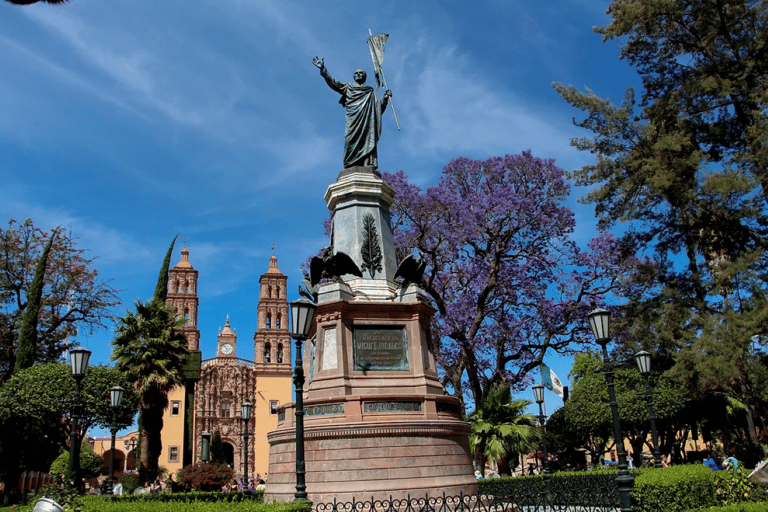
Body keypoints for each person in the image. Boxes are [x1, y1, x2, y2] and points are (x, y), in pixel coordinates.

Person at [312, 56, 392, 170]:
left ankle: (366, 163)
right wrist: (323, 70)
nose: (359, 74)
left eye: (361, 73)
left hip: (366, 122)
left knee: (367, 139)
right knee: (350, 140)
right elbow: (334, 83)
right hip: (353, 120)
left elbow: (376, 108)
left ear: (365, 77)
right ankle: (351, 163)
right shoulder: (348, 87)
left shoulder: (369, 92)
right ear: (354, 76)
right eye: (357, 73)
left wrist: (385, 98)